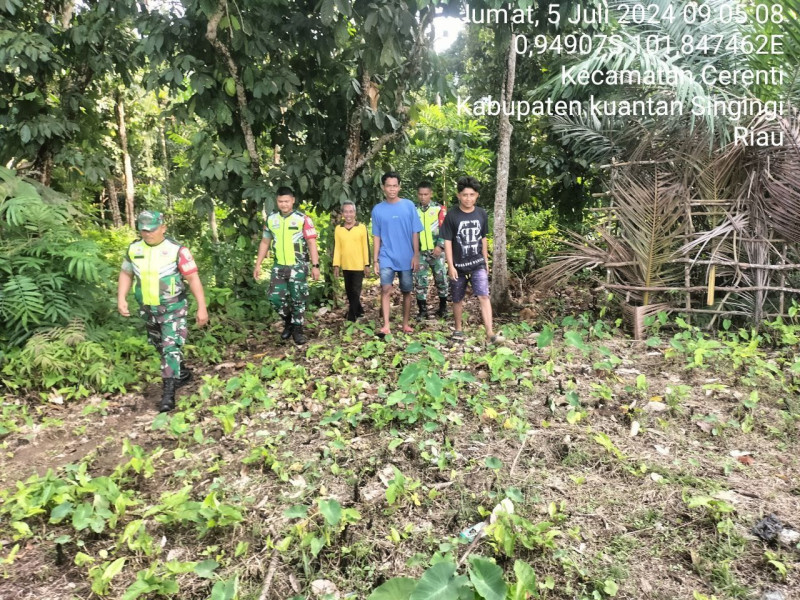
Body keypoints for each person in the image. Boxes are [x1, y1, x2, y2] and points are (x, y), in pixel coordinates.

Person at [117, 210, 209, 413]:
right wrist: (121, 298)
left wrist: (202, 307)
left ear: (163, 228)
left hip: (173, 308)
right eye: (143, 230)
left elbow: (193, 279)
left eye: (152, 230)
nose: (147, 234)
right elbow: (126, 273)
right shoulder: (134, 249)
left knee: (170, 348)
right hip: (148, 309)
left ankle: (168, 394)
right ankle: (181, 373)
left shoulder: (177, 250)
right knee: (160, 345)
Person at [253, 186, 320, 345]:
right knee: (274, 297)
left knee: (298, 299)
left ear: (293, 201)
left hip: (298, 266)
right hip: (279, 266)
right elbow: (265, 242)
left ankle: (297, 329)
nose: (284, 204)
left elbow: (311, 242)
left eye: (287, 201)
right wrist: (258, 264)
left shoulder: (303, 219)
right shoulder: (271, 219)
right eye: (281, 201)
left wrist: (315, 265)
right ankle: (288, 320)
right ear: (277, 201)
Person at [441, 176, 496, 343]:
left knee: (483, 296)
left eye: (472, 195)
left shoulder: (481, 213)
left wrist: (485, 260)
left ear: (477, 195)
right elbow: (447, 241)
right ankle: (458, 329)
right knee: (457, 298)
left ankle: (490, 332)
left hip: (477, 263)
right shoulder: (451, 216)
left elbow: (483, 238)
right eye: (465, 195)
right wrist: (450, 265)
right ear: (459, 195)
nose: (468, 198)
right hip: (458, 265)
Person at [371, 171, 423, 336]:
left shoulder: (408, 206)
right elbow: (376, 236)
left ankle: (405, 324)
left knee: (406, 290)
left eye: (395, 186)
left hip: (406, 256)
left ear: (399, 187)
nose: (392, 189)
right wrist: (375, 260)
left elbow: (416, 232)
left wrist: (416, 255)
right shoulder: (378, 210)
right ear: (383, 188)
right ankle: (386, 325)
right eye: (388, 186)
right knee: (386, 288)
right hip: (386, 256)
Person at [414, 181, 449, 320]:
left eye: (426, 194)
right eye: (421, 194)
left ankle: (443, 308)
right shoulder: (413, 210)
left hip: (437, 251)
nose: (423, 197)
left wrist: (440, 246)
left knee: (441, 279)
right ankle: (422, 311)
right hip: (420, 252)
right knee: (420, 281)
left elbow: (446, 229)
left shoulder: (439, 209)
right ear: (418, 195)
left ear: (431, 194)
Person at [332, 201, 370, 321]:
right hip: (346, 265)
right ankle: (359, 311)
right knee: (349, 292)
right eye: (346, 212)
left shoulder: (361, 228)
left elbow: (365, 247)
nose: (348, 215)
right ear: (342, 214)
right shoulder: (339, 229)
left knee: (355, 291)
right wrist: (336, 265)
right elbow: (337, 247)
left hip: (358, 265)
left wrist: (367, 264)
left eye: (351, 211)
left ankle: (351, 316)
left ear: (355, 213)